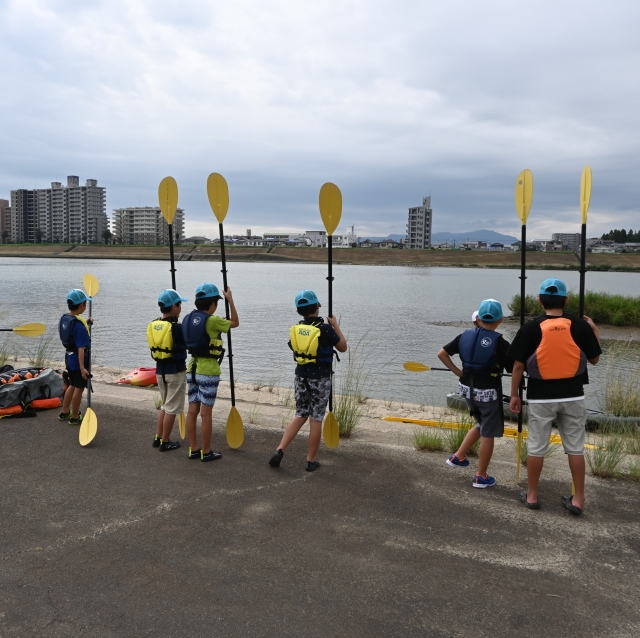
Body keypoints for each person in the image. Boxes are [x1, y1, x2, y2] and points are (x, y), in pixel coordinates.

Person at [508, 278, 601, 514]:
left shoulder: (530, 327)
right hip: (573, 396)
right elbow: (595, 359)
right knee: (576, 448)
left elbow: (518, 366)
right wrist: (595, 332)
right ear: (566, 300)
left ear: (539, 301)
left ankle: (531, 495)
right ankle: (578, 499)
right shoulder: (580, 325)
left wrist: (515, 395)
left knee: (537, 447)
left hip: (540, 397)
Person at [437, 299, 514, 488]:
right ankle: (481, 476)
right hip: (488, 393)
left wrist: (458, 372)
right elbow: (514, 367)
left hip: (466, 390)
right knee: (489, 432)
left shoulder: (464, 335)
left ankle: (458, 456)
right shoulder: (500, 343)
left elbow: (442, 354)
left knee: (482, 423)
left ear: (478, 318)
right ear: (501, 320)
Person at [269, 290, 347, 472]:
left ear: (298, 312)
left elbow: (293, 347)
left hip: (300, 377)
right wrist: (335, 325)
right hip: (320, 378)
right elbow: (342, 347)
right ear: (318, 308)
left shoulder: (296, 329)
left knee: (300, 414)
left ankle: (280, 449)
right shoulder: (325, 329)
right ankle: (310, 460)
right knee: (316, 418)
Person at [182, 283, 239, 462]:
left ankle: (194, 449)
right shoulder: (213, 320)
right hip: (208, 371)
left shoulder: (188, 317)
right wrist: (230, 301)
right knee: (206, 413)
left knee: (192, 411)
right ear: (213, 304)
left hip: (191, 368)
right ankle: (206, 452)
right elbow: (235, 323)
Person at [147, 289, 189, 452]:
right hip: (175, 372)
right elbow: (187, 343)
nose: (181, 308)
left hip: (160, 371)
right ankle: (166, 442)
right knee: (171, 408)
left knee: (165, 406)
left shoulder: (153, 324)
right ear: (174, 307)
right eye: (179, 305)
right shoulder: (176, 328)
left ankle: (158, 437)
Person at [58, 289, 93, 425]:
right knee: (79, 388)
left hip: (68, 357)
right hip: (78, 361)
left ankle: (65, 412)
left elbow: (76, 325)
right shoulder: (78, 326)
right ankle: (75, 417)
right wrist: (83, 367)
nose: (85, 306)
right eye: (85, 304)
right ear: (81, 306)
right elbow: (80, 348)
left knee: (72, 384)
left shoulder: (66, 319)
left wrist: (86, 322)